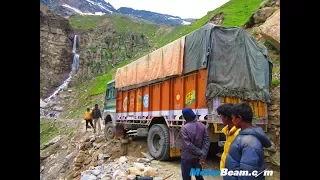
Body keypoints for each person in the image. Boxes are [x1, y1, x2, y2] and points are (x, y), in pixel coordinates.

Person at [224, 102, 272, 180]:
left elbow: (247, 175)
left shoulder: (250, 143)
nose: (232, 120)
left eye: (233, 118)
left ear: (239, 118)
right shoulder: (244, 137)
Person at [180, 108, 210, 180]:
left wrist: (200, 153)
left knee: (186, 177)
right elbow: (206, 141)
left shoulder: (184, 128)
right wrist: (203, 154)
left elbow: (188, 145)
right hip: (198, 158)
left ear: (185, 117)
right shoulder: (203, 126)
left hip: (187, 158)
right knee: (199, 176)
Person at [217, 103, 241, 170]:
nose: (221, 118)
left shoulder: (238, 134)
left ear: (226, 118)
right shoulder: (228, 131)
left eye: (221, 116)